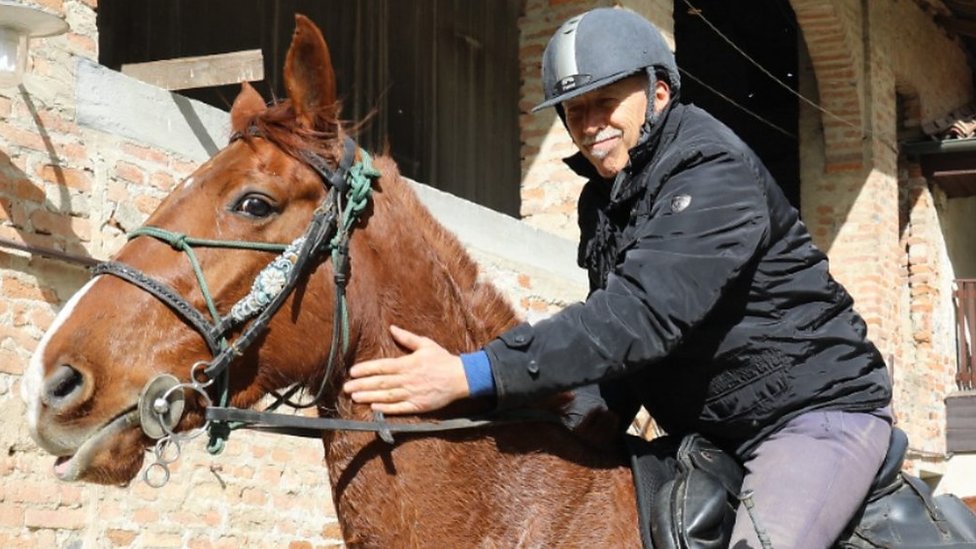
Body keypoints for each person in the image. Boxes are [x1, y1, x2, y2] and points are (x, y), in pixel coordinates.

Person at [344, 7, 893, 548]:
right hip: (708, 434)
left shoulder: (711, 168)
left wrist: (474, 373)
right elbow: (621, 356)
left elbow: (640, 318)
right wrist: (548, 417)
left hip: (809, 418)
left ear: (658, 94)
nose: (589, 125)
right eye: (573, 110)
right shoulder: (603, 200)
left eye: (605, 102)